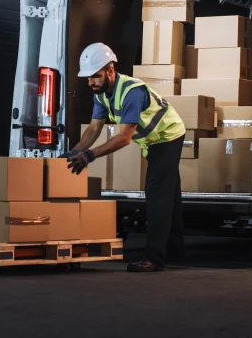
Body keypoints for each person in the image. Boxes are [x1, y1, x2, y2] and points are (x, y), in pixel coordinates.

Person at [61, 43, 187, 272]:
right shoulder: (101, 94)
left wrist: (89, 156)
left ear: (110, 69)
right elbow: (93, 130)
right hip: (153, 140)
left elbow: (124, 138)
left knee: (157, 195)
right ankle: (176, 251)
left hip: (167, 137)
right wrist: (73, 153)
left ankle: (154, 259)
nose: (91, 83)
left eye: (95, 77)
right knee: (171, 197)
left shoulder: (131, 92)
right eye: (88, 78)